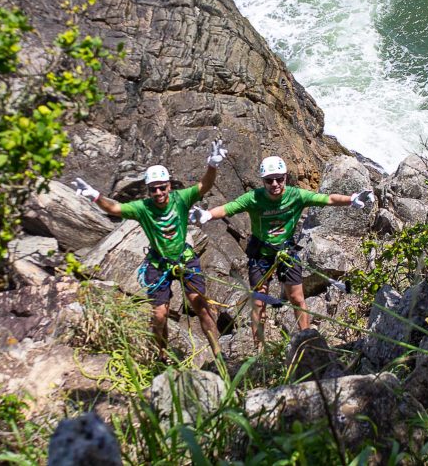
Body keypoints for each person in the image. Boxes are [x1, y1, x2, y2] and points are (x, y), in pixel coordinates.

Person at [189, 155, 372, 349]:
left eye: (279, 179)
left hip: (286, 251)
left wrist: (351, 199)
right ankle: (259, 349)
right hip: (261, 255)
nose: (275, 184)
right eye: (269, 180)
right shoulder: (254, 198)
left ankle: (307, 343)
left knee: (297, 298)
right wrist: (208, 215)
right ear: (263, 181)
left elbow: (327, 199)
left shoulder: (295, 195)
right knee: (259, 302)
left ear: (286, 177)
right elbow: (229, 208)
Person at [71, 140, 228, 362]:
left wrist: (212, 166)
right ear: (149, 190)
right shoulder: (143, 208)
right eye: (153, 189)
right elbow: (115, 208)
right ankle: (161, 355)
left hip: (184, 258)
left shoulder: (180, 199)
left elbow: (204, 186)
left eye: (162, 187)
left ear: (169, 186)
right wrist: (95, 196)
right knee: (159, 315)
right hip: (159, 263)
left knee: (200, 305)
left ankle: (218, 355)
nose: (158, 192)